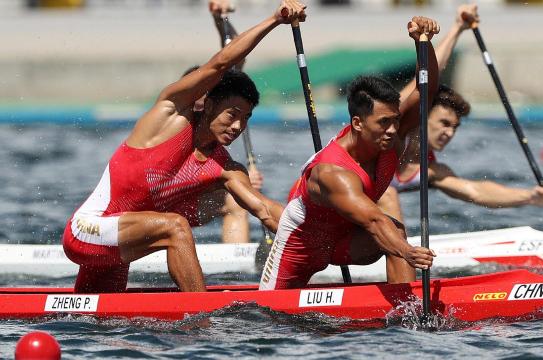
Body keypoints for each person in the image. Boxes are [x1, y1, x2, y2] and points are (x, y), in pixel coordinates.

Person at [62, 0, 307, 293]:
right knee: (175, 226)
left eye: (246, 119)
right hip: (86, 231)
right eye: (232, 115)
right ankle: (201, 319)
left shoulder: (226, 167)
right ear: (208, 102)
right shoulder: (170, 116)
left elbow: (265, 211)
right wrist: (274, 19)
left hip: (116, 249)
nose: (238, 127)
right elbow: (221, 64)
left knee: (96, 323)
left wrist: (325, 235)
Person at [259, 17, 440, 290]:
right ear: (357, 123)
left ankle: (407, 307)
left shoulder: (389, 134)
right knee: (268, 316)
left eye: (395, 121)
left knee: (396, 231)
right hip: (300, 245)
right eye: (383, 123)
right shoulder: (334, 171)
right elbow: (374, 220)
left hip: (345, 241)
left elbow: (426, 90)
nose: (393, 130)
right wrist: (409, 253)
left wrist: (423, 45)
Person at [377, 3, 543, 224]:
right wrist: (456, 28)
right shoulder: (393, 127)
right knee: (387, 193)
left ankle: (400, 252)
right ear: (422, 115)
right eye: (444, 122)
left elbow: (475, 191)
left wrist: (529, 197)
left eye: (454, 127)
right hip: (332, 199)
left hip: (365, 228)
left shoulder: (430, 170)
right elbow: (424, 81)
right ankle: (401, 254)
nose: (449, 132)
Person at [207, 0, 265, 244]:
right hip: (165, 196)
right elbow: (223, 61)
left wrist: (222, 22)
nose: (237, 126)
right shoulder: (188, 108)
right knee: (237, 187)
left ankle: (234, 269)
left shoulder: (219, 96)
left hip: (196, 192)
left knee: (236, 200)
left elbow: (234, 57)